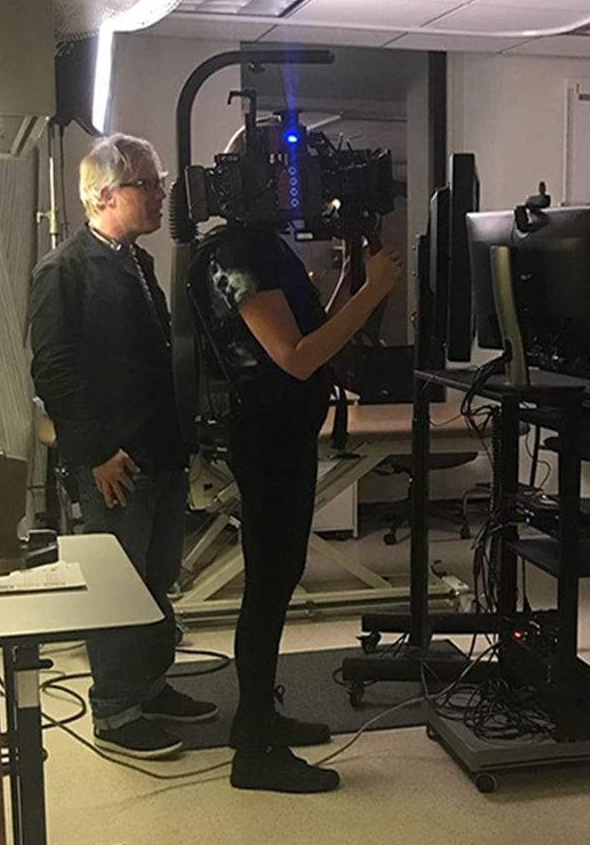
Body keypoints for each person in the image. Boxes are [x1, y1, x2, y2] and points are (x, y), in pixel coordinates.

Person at [196, 125, 402, 794]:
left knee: (277, 584)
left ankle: (256, 720)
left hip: (283, 437)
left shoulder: (261, 248)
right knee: (266, 591)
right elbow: (297, 357)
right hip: (267, 441)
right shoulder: (238, 255)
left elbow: (310, 334)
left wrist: (350, 275)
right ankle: (253, 750)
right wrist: (373, 291)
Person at [29, 134, 216, 759]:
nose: (161, 194)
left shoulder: (135, 263)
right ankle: (114, 711)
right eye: (149, 184)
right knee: (118, 588)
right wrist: (96, 453)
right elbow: (54, 371)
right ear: (105, 195)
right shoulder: (63, 271)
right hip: (116, 462)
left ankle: (149, 685)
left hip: (157, 453)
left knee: (156, 582)